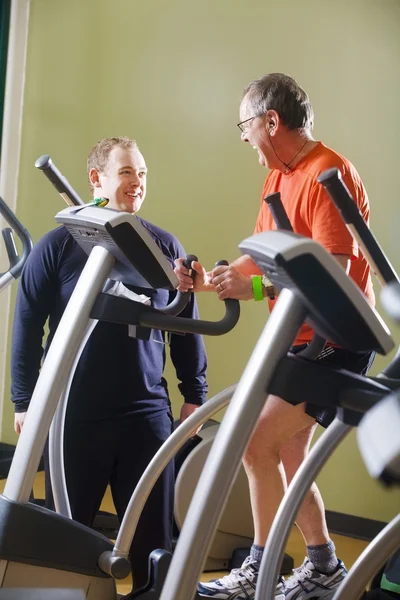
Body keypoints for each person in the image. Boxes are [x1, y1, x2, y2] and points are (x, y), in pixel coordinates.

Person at [174, 73, 375, 600]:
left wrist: (255, 284)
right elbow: (264, 253)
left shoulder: (327, 171)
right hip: (299, 332)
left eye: (245, 125)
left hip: (335, 335)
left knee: (255, 442)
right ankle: (324, 565)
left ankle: (257, 569)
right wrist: (211, 282)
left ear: (271, 121)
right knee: (286, 455)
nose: (243, 138)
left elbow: (331, 267)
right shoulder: (278, 177)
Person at [11, 136, 208, 590]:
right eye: (126, 172)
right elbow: (26, 328)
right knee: (65, 537)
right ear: (96, 179)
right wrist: (25, 402)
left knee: (153, 541)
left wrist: (193, 395)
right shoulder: (57, 246)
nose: (137, 182)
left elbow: (185, 322)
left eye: (141, 173)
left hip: (146, 414)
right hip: (73, 415)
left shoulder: (162, 244)